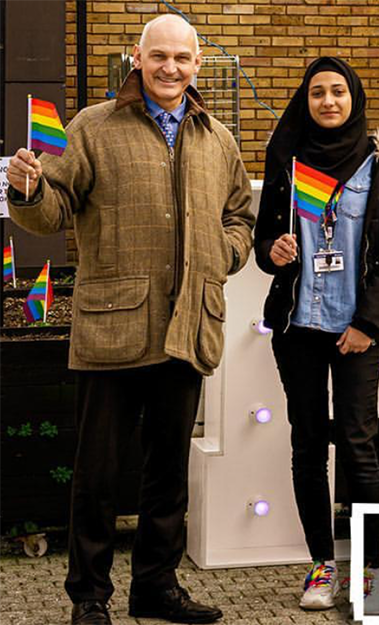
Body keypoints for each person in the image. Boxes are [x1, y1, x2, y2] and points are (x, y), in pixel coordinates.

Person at [5, 15, 254, 625]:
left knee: (167, 470)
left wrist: (223, 254)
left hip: (188, 324)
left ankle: (156, 588)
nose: (172, 68)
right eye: (160, 56)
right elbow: (53, 211)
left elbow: (241, 216)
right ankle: (89, 596)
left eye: (184, 58)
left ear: (198, 64)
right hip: (111, 327)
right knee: (98, 473)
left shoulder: (218, 138)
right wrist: (30, 192)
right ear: (137, 59)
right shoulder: (93, 126)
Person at [253, 57, 379, 614]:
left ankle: (369, 570)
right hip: (299, 325)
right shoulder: (288, 157)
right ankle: (322, 565)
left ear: (354, 99)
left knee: (357, 443)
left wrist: (368, 323)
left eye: (338, 92)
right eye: (318, 92)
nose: (327, 101)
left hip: (357, 329)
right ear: (306, 99)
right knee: (306, 445)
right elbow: (264, 241)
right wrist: (274, 252)